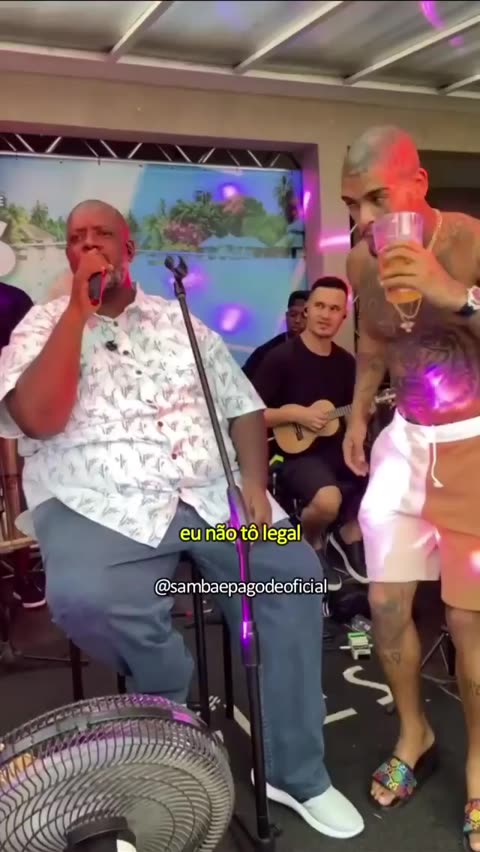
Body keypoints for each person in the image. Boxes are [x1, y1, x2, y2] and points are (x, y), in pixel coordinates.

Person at [0, 199, 364, 840]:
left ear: (129, 249)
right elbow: (38, 419)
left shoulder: (184, 323)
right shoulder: (41, 326)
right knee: (86, 596)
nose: (90, 245)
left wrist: (253, 482)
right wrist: (78, 313)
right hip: (98, 505)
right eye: (77, 237)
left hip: (205, 503)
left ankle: (293, 771)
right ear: (68, 253)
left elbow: (242, 406)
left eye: (103, 235)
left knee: (292, 575)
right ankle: (167, 687)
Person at [341, 125, 480, 850]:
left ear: (418, 185)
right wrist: (359, 415)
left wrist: (453, 294)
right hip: (405, 444)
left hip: (474, 447)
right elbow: (372, 342)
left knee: (468, 622)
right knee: (386, 602)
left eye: (376, 198)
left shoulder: (470, 240)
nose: (364, 219)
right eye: (351, 205)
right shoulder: (360, 260)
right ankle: (414, 732)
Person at [252, 277, 367, 586]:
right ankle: (311, 543)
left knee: (384, 480)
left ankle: (347, 535)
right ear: (306, 311)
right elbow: (251, 416)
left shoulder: (346, 363)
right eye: (320, 306)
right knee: (327, 500)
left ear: (344, 317)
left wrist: (361, 420)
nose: (326, 315)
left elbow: (350, 412)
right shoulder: (280, 358)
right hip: (293, 456)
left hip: (336, 451)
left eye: (334, 309)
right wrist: (295, 413)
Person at [0, 280, 45, 609]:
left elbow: (35, 355)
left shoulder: (12, 298)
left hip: (11, 410)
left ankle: (24, 575)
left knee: (17, 492)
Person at [242, 289, 307, 381]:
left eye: (304, 316)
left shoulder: (320, 351)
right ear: (286, 316)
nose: (297, 320)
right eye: (293, 315)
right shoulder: (266, 352)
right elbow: (242, 382)